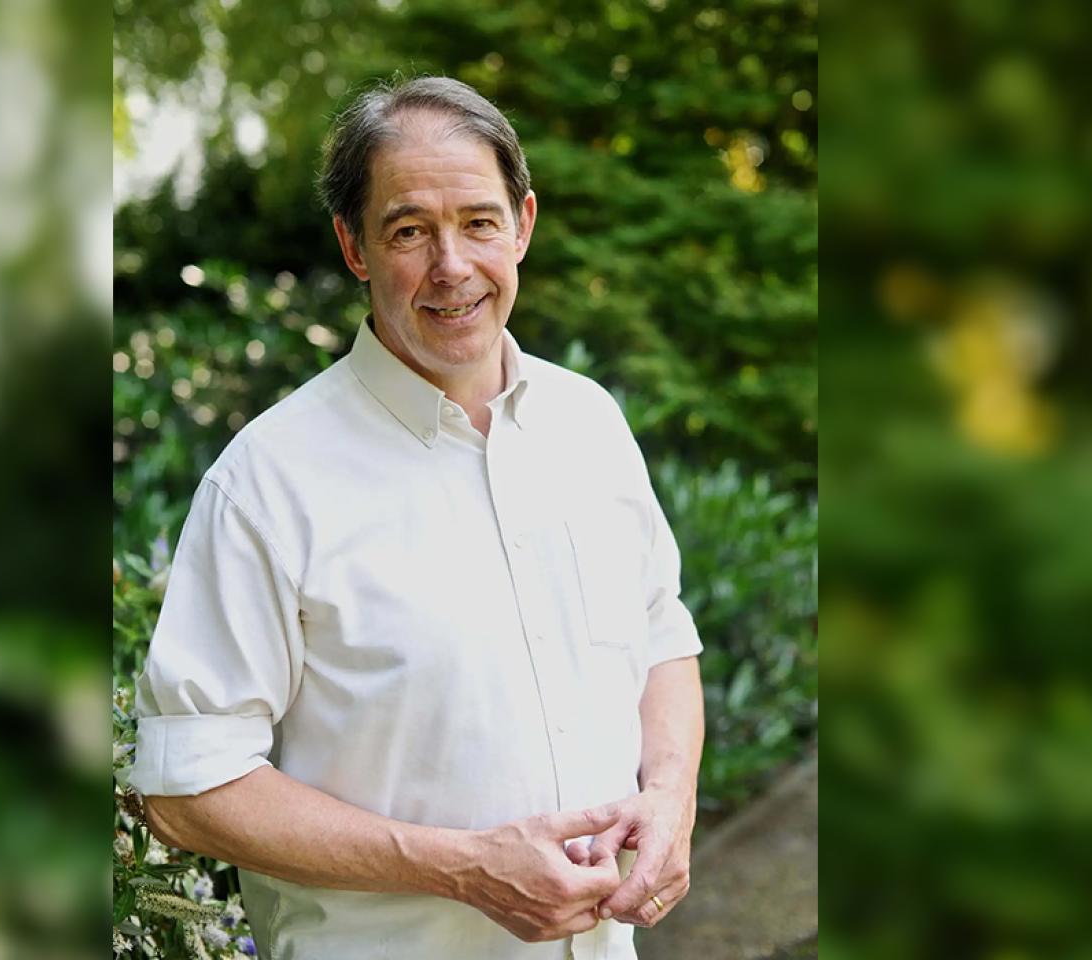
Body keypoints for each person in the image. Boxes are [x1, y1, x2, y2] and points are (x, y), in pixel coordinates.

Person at [127, 75, 705, 960]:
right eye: (409, 231)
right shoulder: (266, 481)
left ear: (523, 224)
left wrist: (669, 799)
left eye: (478, 221)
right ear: (354, 248)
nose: (452, 267)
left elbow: (662, 638)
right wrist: (464, 867)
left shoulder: (589, 421)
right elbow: (188, 787)